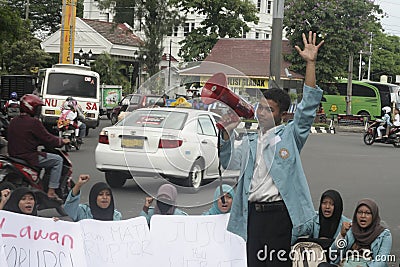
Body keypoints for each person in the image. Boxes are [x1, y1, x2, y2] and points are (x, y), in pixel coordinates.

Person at [219, 31, 324, 267]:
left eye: (271, 109)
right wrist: (225, 135)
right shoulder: (250, 141)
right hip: (253, 216)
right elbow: (230, 163)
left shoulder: (290, 135)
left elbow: (307, 108)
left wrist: (310, 64)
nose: (263, 112)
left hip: (280, 216)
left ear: (283, 115)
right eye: (261, 107)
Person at [7, 94, 70, 201]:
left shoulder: (13, 121)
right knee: (58, 160)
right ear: (31, 108)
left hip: (13, 156)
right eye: (37, 108)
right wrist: (61, 141)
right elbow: (47, 138)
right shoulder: (34, 123)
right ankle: (51, 191)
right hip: (29, 156)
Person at [328, 199, 392, 267]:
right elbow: (333, 254)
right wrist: (342, 235)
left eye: (367, 213)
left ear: (374, 215)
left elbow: (382, 261)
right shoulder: (350, 229)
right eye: (360, 212)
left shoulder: (384, 235)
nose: (363, 216)